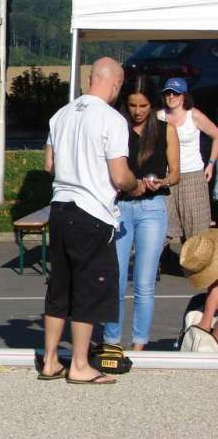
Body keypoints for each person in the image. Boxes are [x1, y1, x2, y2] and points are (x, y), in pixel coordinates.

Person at [40, 57, 137, 385]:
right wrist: (137, 185)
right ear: (115, 83)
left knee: (59, 288)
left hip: (60, 207)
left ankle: (51, 360)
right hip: (92, 213)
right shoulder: (112, 120)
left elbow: (49, 164)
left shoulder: (61, 115)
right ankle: (80, 365)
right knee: (87, 289)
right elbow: (120, 176)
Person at [103, 75, 179, 351]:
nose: (137, 111)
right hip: (120, 207)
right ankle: (112, 339)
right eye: (133, 105)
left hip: (152, 208)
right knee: (117, 277)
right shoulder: (117, 127)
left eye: (143, 106)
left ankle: (139, 343)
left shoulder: (164, 128)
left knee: (145, 281)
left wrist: (162, 181)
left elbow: (176, 173)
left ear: (152, 104)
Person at [158, 78, 218, 242]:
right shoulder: (159, 116)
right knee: (168, 228)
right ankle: (169, 264)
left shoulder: (194, 115)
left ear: (184, 96)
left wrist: (211, 165)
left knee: (196, 229)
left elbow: (216, 135)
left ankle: (198, 265)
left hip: (192, 176)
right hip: (167, 177)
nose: (171, 96)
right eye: (168, 93)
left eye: (175, 93)